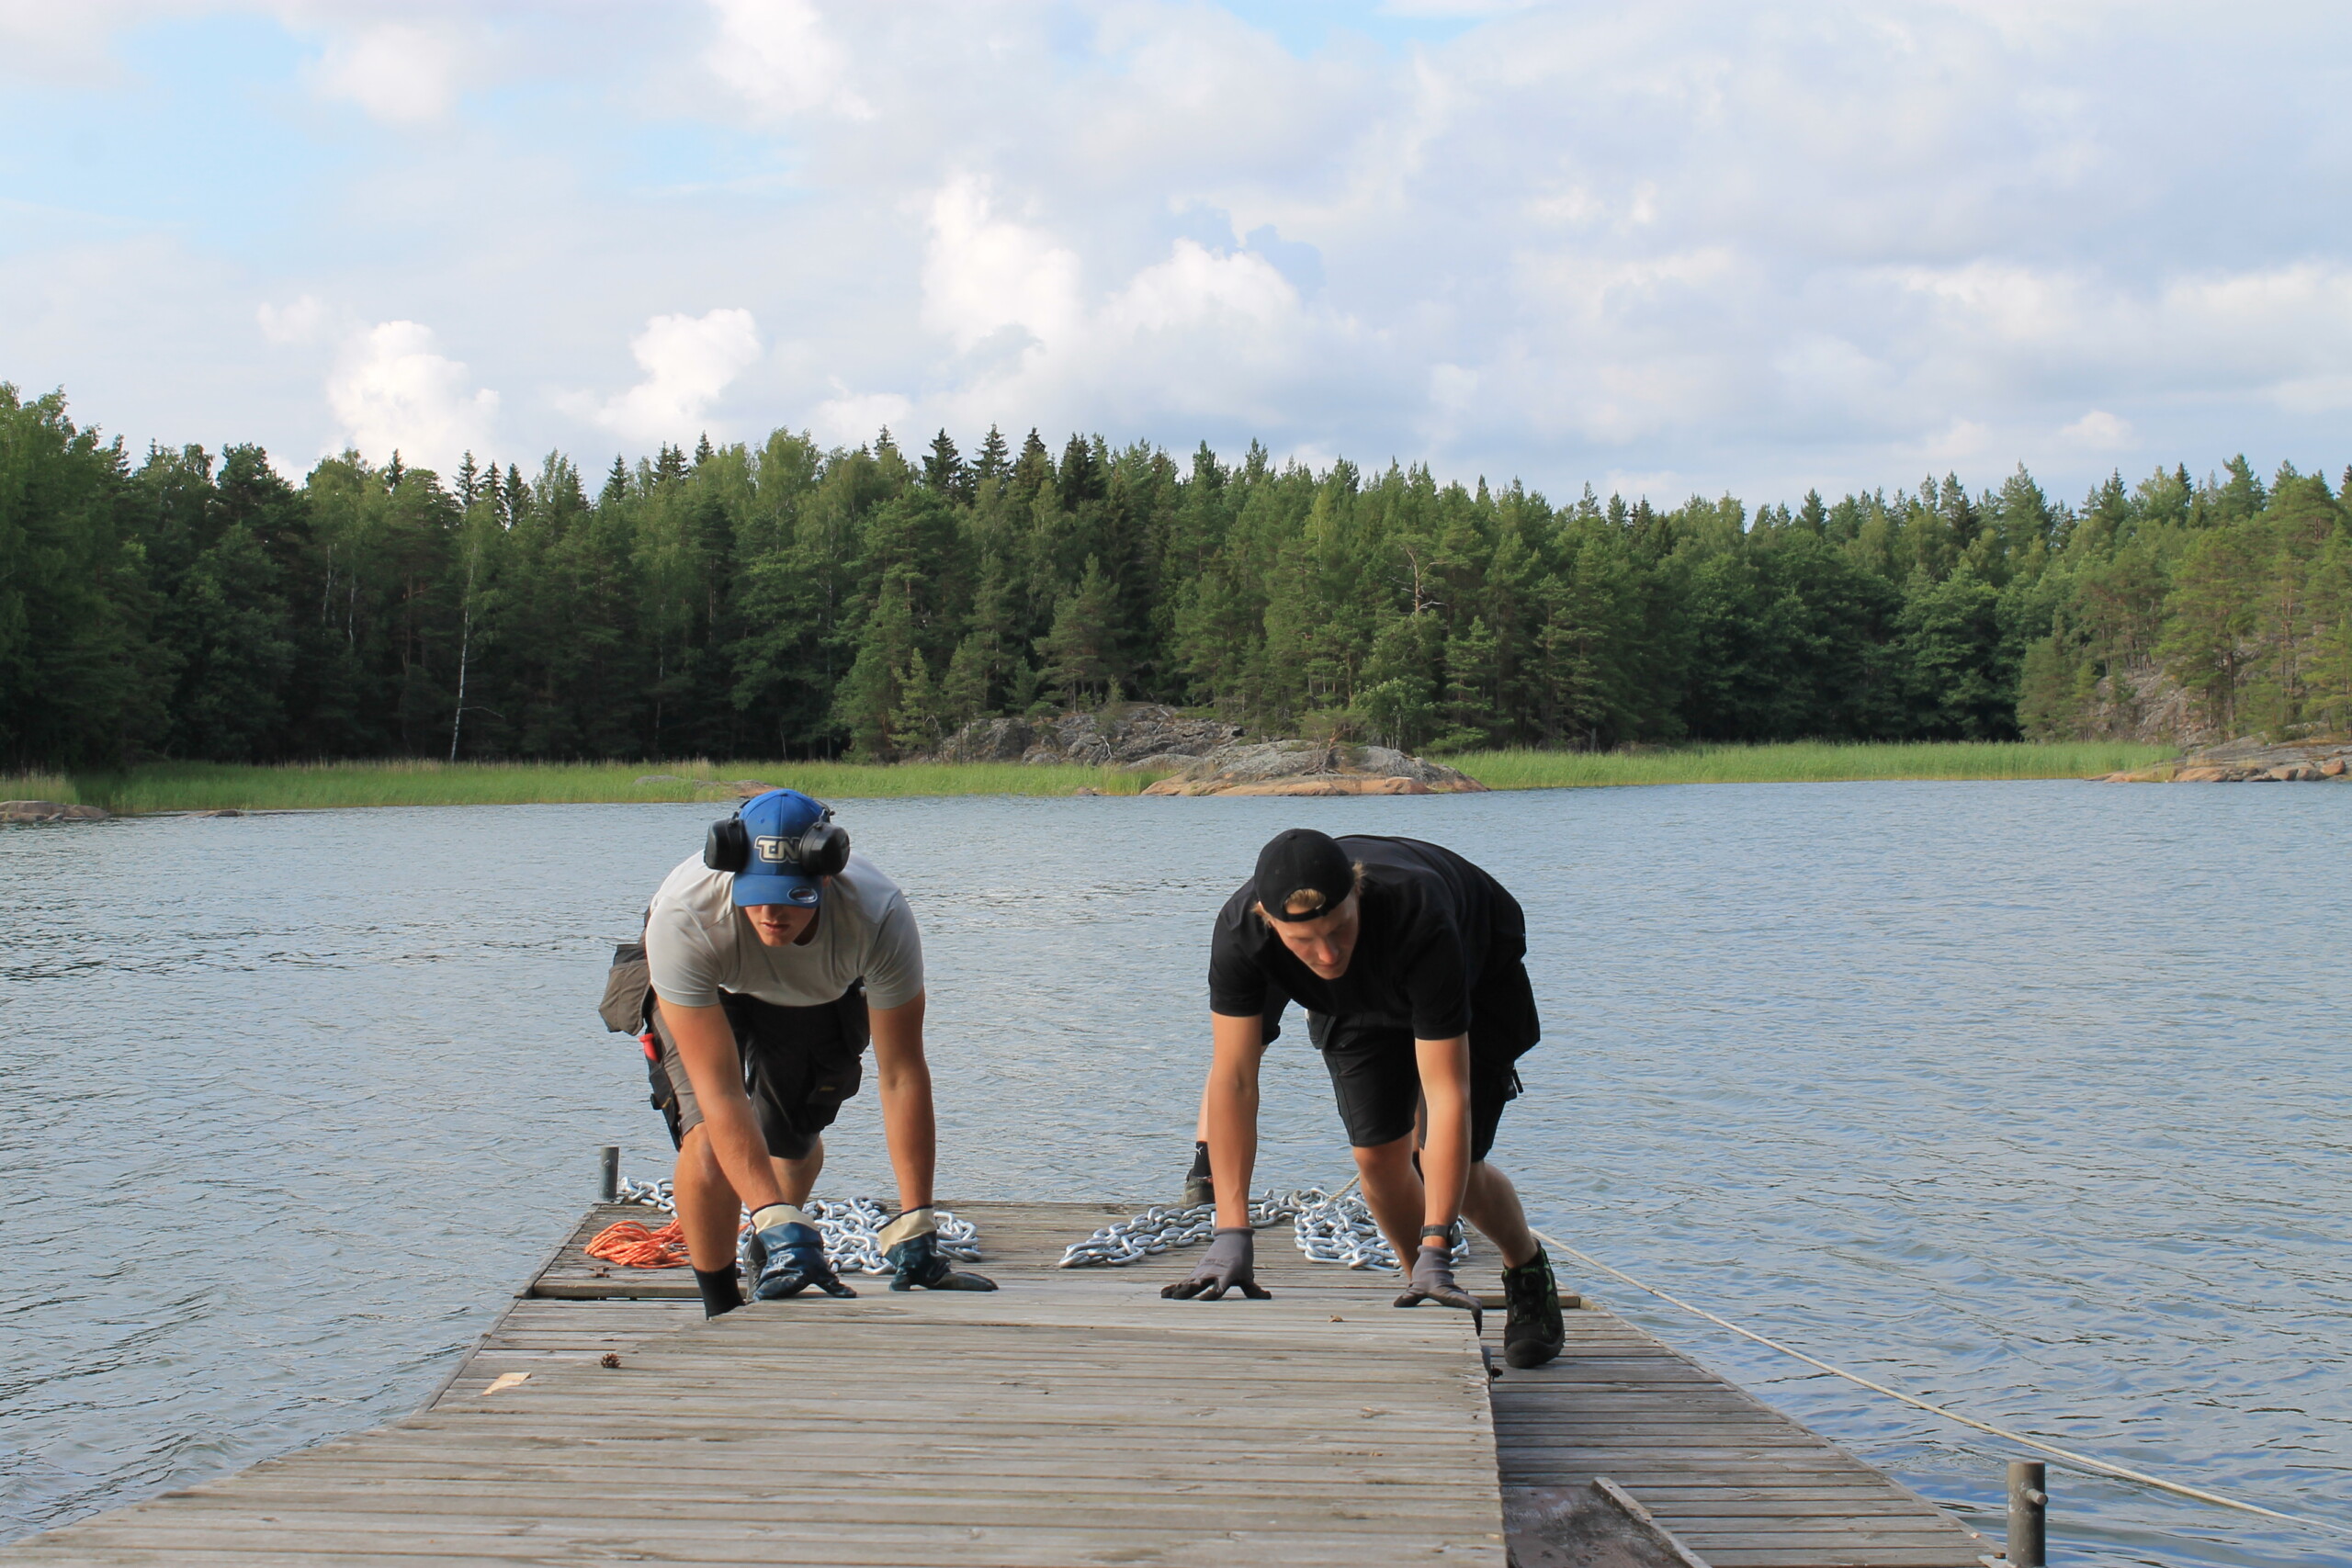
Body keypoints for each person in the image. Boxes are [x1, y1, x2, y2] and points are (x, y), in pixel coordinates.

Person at [1164, 827, 1566, 1370]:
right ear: (1267, 918)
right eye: (1302, 940)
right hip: (1354, 1006)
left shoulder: (1417, 912)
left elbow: (1447, 1094)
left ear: (1358, 891)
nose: (1326, 952)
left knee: (1453, 1166)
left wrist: (1438, 1245)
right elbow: (1234, 1080)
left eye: (1338, 928)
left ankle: (1524, 1268)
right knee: (1377, 1159)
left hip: (1470, 978)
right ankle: (1424, 1293)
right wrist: (1230, 1232)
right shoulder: (1241, 934)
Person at [608, 787, 994, 1316]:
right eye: (756, 894)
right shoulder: (685, 914)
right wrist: (770, 1210)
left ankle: (775, 1256)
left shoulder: (877, 915)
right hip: (707, 987)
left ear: (826, 876)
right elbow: (719, 1089)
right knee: (707, 1143)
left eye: (792, 897)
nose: (771, 914)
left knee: (790, 1142)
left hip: (817, 989)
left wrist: (917, 1218)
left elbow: (902, 1072)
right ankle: (721, 1308)